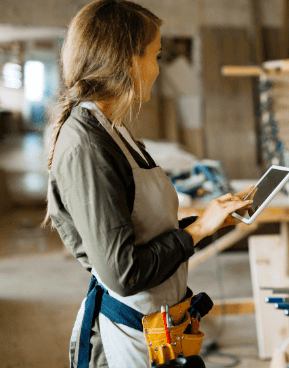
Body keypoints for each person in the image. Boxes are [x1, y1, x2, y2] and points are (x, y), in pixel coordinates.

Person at [43, 1, 255, 367]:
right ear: (128, 61)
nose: (158, 70)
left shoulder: (115, 131)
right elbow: (124, 273)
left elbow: (143, 235)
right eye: (155, 56)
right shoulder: (88, 145)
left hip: (158, 330)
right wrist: (198, 230)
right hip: (129, 339)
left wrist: (206, 224)